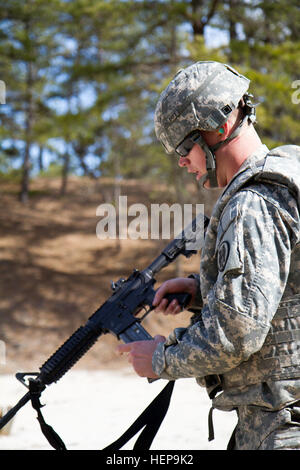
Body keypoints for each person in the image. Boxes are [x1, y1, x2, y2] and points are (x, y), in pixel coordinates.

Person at [117, 61, 300, 450]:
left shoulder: (253, 203)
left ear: (218, 128)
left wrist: (161, 358)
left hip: (284, 426)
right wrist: (203, 290)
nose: (182, 161)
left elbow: (235, 334)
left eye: (185, 147)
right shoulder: (285, 179)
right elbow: (281, 290)